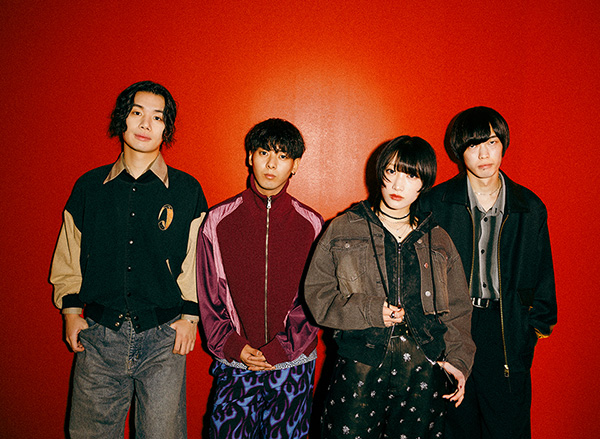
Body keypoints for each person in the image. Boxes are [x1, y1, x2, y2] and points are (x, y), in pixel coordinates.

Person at [50, 80, 207, 438]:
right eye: (137, 113)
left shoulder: (187, 190)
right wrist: (70, 311)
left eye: (157, 117)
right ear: (123, 118)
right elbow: (69, 253)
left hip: (164, 339)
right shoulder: (89, 187)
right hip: (98, 336)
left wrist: (190, 317)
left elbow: (197, 260)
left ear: (167, 128)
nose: (145, 124)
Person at [304, 136, 475, 439]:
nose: (398, 184)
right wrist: (368, 310)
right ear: (379, 172)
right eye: (392, 171)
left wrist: (459, 362)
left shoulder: (438, 239)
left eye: (411, 176)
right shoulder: (344, 227)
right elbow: (318, 296)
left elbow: (459, 309)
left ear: (424, 183)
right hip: (359, 366)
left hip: (422, 371)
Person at [418, 106, 557, 439]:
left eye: (491, 142)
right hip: (453, 326)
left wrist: (533, 329)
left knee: (507, 426)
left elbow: (543, 274)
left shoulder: (529, 206)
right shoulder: (435, 203)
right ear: (459, 151)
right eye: (473, 145)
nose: (484, 154)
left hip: (506, 327)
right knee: (455, 424)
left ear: (503, 144)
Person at [196, 118, 323, 439]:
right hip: (236, 363)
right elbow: (209, 295)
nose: (271, 164)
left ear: (295, 165)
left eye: (282, 156)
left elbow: (316, 299)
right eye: (264, 152)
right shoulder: (217, 220)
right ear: (249, 156)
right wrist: (232, 345)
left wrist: (281, 349)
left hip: (292, 366)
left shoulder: (312, 224)